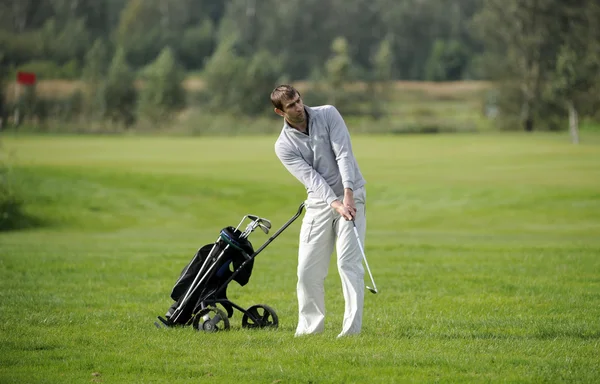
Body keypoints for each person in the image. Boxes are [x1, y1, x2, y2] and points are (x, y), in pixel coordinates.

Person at [271, 84, 367, 337]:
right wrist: (335, 203)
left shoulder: (328, 114)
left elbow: (343, 153)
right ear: (280, 112)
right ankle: (310, 330)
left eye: (298, 100)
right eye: (290, 105)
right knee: (306, 270)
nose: (298, 107)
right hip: (319, 203)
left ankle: (351, 331)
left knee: (348, 262)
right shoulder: (283, 146)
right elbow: (312, 179)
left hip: (352, 193)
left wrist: (348, 194)